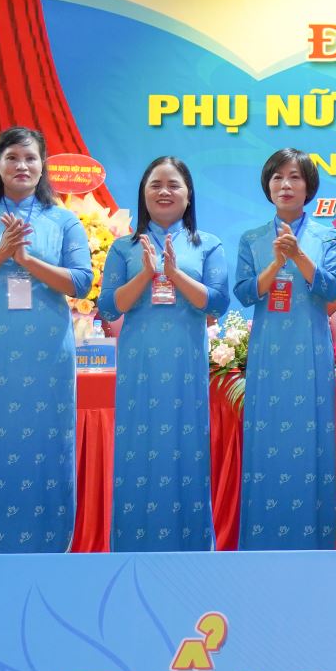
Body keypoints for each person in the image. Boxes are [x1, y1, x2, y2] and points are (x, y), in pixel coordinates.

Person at [0, 127, 93, 553]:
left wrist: (26, 259)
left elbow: (81, 283)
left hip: (47, 348)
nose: (22, 166)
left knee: (48, 439)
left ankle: (51, 542)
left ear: (43, 165)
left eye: (30, 158)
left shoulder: (63, 220)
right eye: (12, 157)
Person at [98, 156, 230, 552]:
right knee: (137, 452)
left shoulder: (207, 244)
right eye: (156, 184)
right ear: (143, 193)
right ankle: (132, 547)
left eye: (174, 185)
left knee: (186, 452)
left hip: (186, 365)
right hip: (139, 365)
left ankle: (191, 546)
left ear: (188, 195)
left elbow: (218, 303)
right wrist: (145, 274)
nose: (164, 192)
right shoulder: (124, 247)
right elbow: (109, 308)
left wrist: (174, 275)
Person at [233, 148, 336, 550]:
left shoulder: (327, 236)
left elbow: (333, 290)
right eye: (278, 176)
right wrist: (274, 264)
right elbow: (244, 294)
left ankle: (314, 542)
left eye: (295, 177)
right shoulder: (252, 239)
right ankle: (260, 541)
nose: (286, 184)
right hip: (267, 354)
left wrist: (297, 255)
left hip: (310, 352)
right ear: (268, 185)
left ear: (309, 186)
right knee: (265, 444)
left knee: (312, 443)